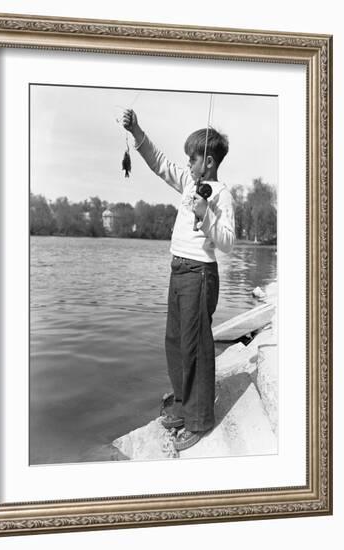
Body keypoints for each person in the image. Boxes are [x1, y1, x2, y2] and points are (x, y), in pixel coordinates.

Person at [122, 108, 235, 451]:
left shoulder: (222, 194)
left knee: (196, 347)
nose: (186, 163)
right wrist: (137, 130)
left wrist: (207, 215)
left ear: (209, 162)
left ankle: (200, 420)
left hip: (200, 274)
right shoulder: (189, 181)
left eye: (192, 158)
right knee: (174, 342)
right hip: (178, 270)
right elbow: (159, 162)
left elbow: (229, 242)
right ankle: (184, 407)